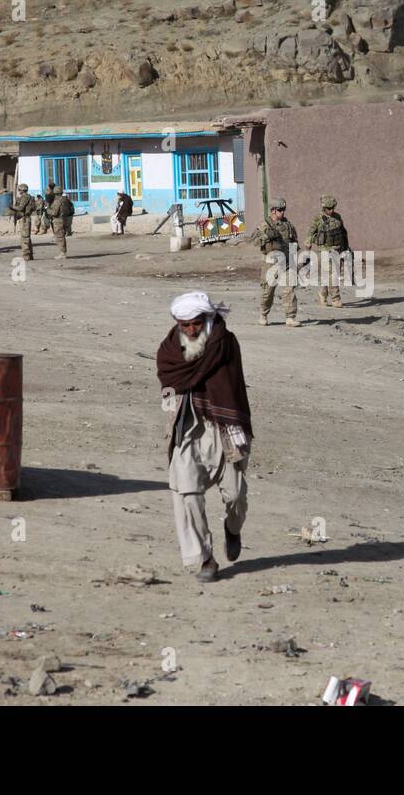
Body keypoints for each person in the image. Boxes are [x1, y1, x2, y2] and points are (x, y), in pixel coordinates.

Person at [156, 291, 253, 583]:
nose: (190, 330)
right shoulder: (170, 348)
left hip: (223, 425)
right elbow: (169, 379)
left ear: (207, 319)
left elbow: (232, 387)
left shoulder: (225, 343)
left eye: (195, 323)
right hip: (187, 424)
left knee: (235, 494)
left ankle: (233, 528)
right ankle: (205, 559)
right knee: (186, 493)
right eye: (184, 324)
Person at [249, 197, 299, 327]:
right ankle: (263, 314)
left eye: (284, 210)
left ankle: (290, 317)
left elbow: (294, 241)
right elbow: (254, 241)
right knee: (268, 291)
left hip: (287, 261)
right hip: (271, 262)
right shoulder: (264, 225)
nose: (283, 212)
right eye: (280, 210)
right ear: (273, 210)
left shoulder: (287, 224)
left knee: (289, 289)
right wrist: (266, 237)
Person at [306, 194, 349, 308]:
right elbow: (310, 232)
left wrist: (345, 248)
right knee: (332, 273)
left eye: (333, 208)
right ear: (324, 208)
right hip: (324, 249)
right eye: (329, 208)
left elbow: (343, 233)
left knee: (332, 274)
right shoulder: (318, 218)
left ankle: (323, 293)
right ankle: (336, 299)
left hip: (336, 249)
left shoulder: (338, 217)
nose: (331, 211)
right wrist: (308, 244)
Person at [7, 183, 35, 260]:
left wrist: (11, 207)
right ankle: (30, 255)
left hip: (24, 219)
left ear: (22, 190)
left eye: (19, 189)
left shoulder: (25, 197)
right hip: (25, 218)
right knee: (26, 237)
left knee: (24, 238)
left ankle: (26, 256)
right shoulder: (28, 197)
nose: (18, 191)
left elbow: (20, 208)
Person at [47, 182, 73, 259]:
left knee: (60, 237)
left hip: (58, 220)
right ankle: (62, 252)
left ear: (55, 193)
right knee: (61, 236)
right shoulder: (65, 200)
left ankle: (62, 253)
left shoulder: (57, 201)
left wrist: (47, 210)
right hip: (64, 219)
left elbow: (54, 212)